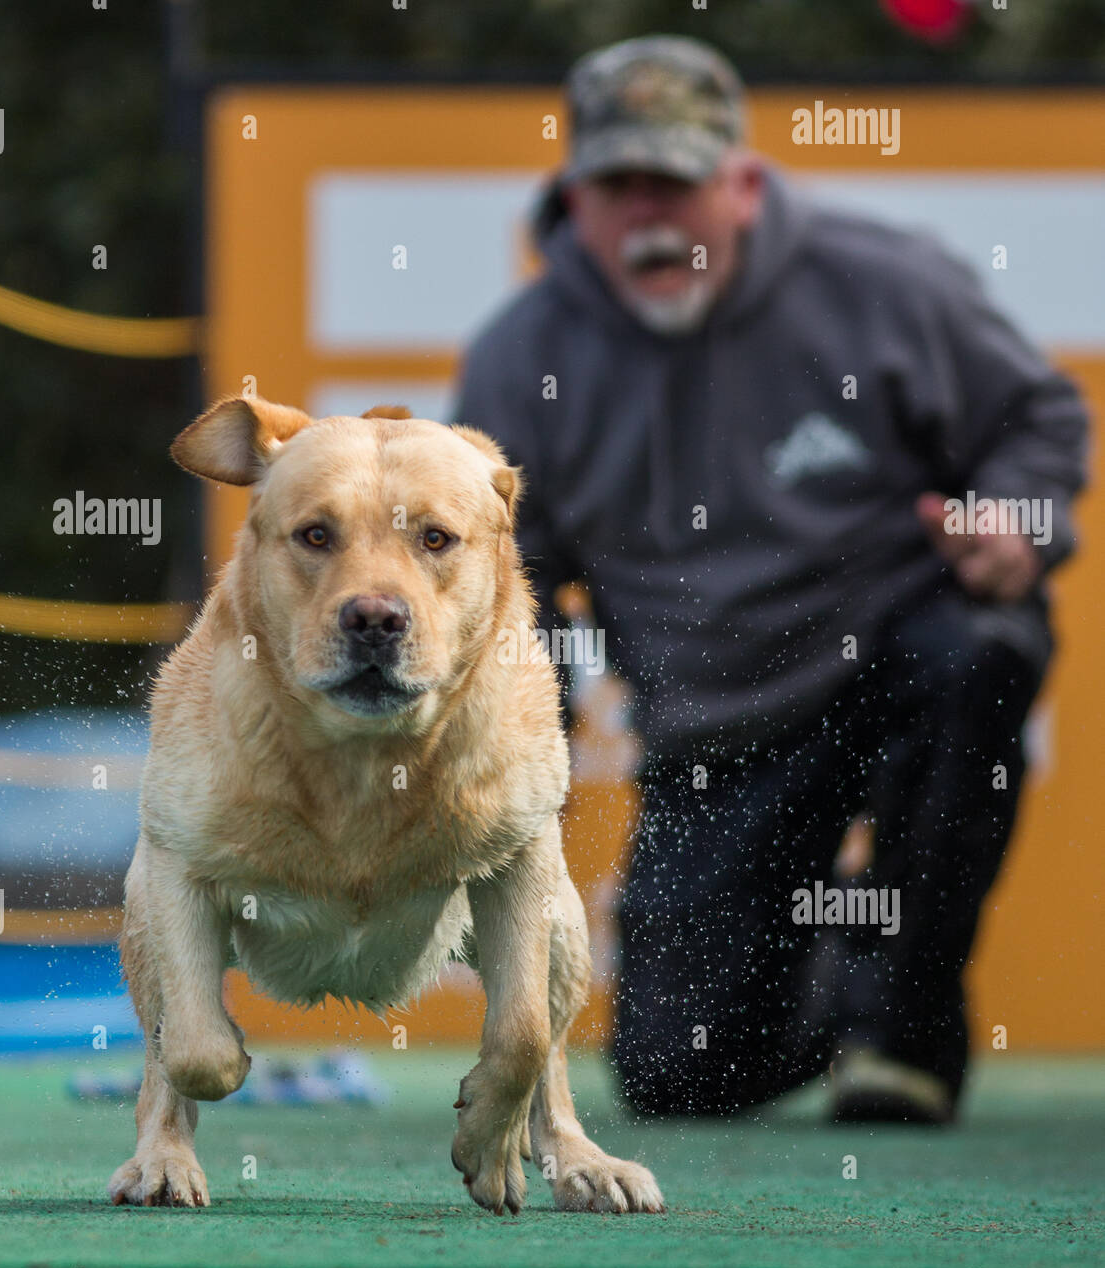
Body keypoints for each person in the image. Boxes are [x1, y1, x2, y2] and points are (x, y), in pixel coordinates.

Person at [453, 35, 1089, 1123]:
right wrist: (504, 772)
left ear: (741, 186)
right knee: (679, 1075)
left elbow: (1036, 418)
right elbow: (510, 589)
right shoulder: (520, 357)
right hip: (717, 732)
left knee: (983, 647)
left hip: (893, 642)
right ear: (573, 201)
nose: (650, 215)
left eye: (676, 183)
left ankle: (902, 1030)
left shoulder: (887, 283)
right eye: (619, 187)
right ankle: (855, 956)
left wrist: (1012, 527)